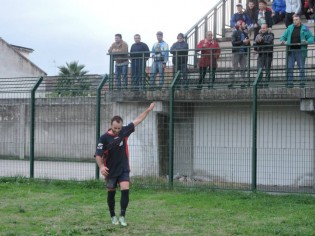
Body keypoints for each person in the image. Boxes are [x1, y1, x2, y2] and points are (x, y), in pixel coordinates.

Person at [95, 102, 155, 227]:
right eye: (115, 128)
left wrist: (148, 110)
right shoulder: (104, 138)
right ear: (111, 125)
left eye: (119, 128)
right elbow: (98, 155)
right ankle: (112, 216)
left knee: (125, 189)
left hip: (123, 168)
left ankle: (122, 216)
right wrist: (101, 167)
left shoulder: (124, 132)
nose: (117, 130)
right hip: (110, 170)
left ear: (121, 126)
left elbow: (138, 120)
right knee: (111, 192)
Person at [280, 14, 314, 87]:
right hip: (291, 51)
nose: (295, 21)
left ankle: (302, 84)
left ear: (300, 20)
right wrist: (282, 40)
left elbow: (311, 37)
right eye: (294, 20)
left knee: (301, 68)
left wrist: (307, 41)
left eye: (296, 20)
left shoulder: (305, 28)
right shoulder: (289, 27)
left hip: (300, 50)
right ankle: (290, 84)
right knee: (290, 68)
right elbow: (283, 36)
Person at [229, 20, 250, 88]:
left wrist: (247, 43)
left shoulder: (245, 33)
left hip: (243, 53)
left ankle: (242, 83)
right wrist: (242, 41)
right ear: (240, 25)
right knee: (234, 68)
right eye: (244, 24)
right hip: (236, 52)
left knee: (243, 68)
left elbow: (248, 43)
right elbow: (233, 43)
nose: (245, 25)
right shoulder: (235, 33)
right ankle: (231, 83)